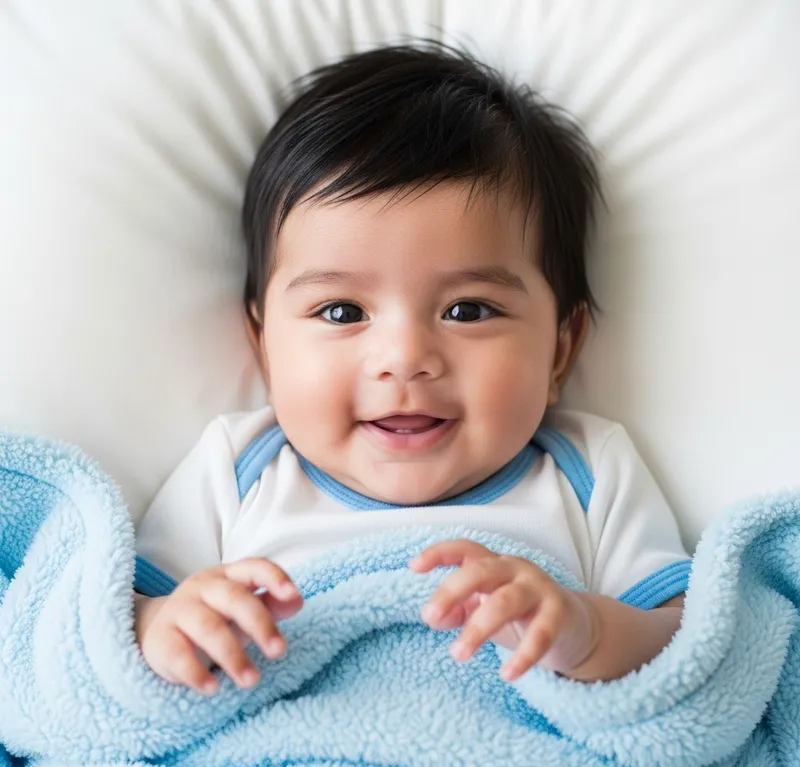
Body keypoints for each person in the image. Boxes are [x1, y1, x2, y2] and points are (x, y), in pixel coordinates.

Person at [134, 42, 691, 696]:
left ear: (561, 349)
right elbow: (129, 617)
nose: (404, 358)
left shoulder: (588, 468)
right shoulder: (237, 466)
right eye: (342, 312)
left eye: (469, 309)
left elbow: (684, 639)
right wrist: (169, 624)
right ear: (263, 344)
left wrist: (589, 632)